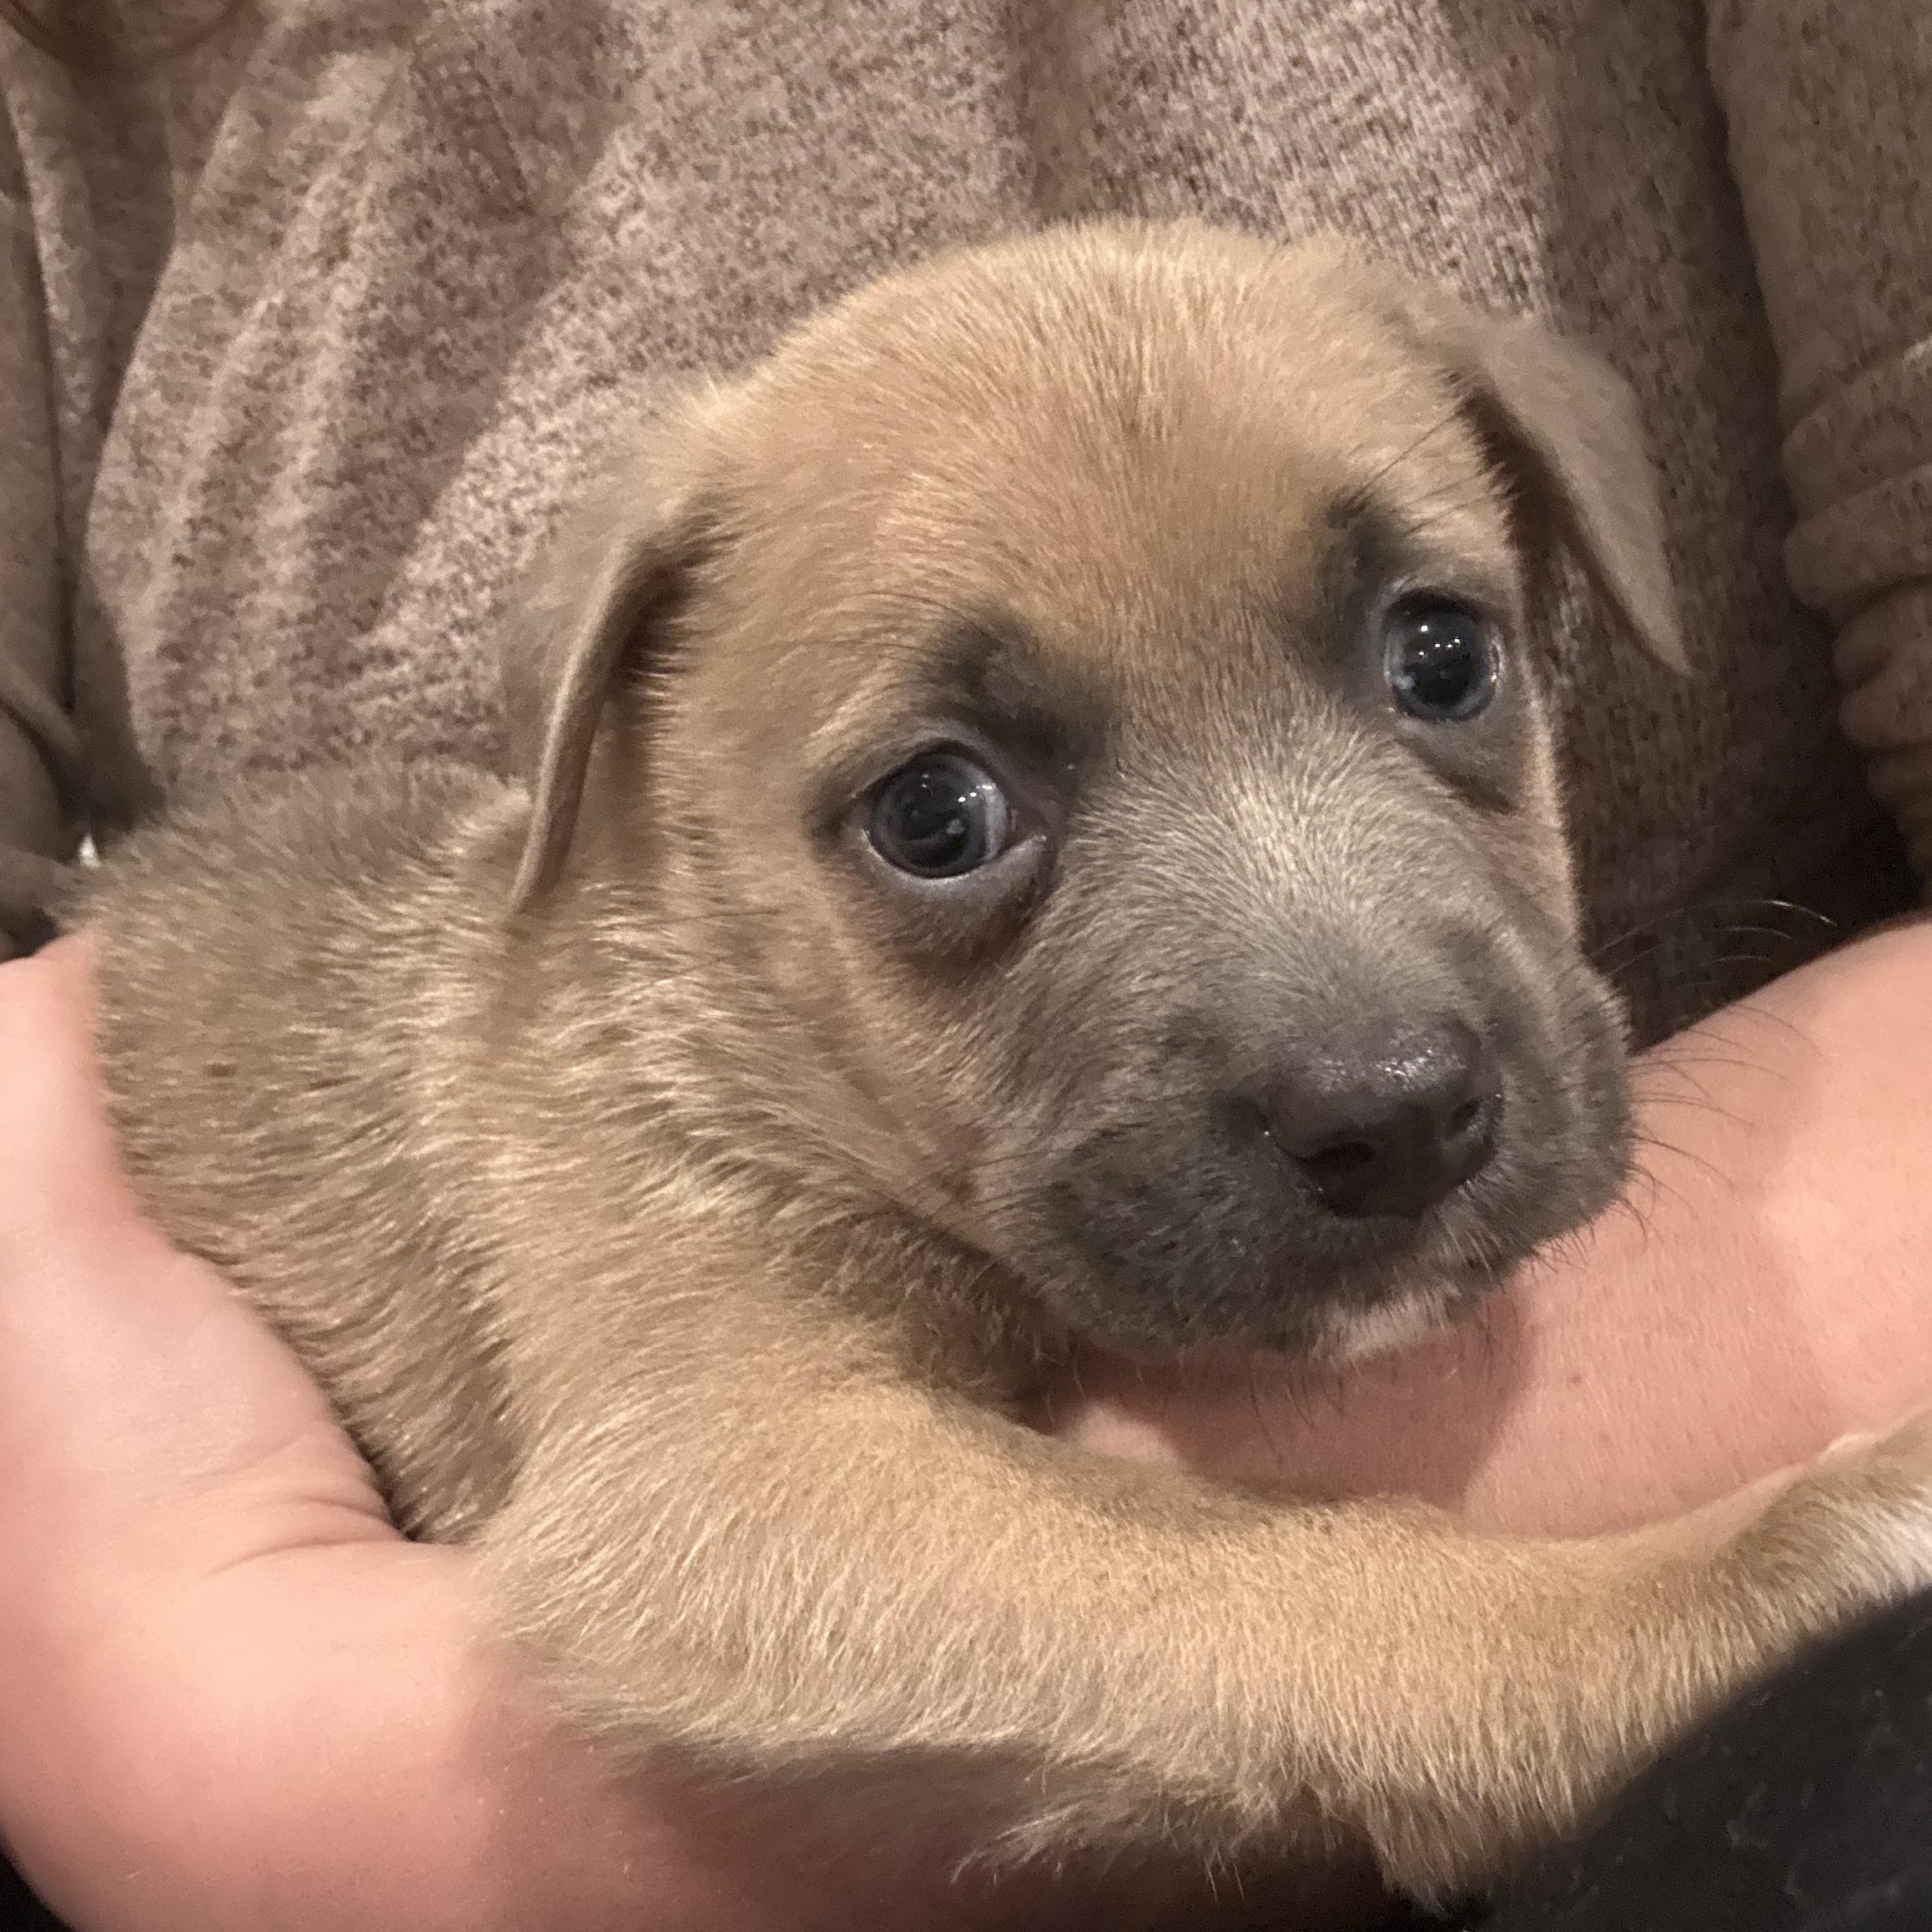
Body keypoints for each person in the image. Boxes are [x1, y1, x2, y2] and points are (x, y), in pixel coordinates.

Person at [0, 2, 1927, 1926]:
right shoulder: (678, 1106)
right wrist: (1568, 1667)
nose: (1370, 1061)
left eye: (1437, 667)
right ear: (635, 774)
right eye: (944, 821)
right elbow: (716, 1542)